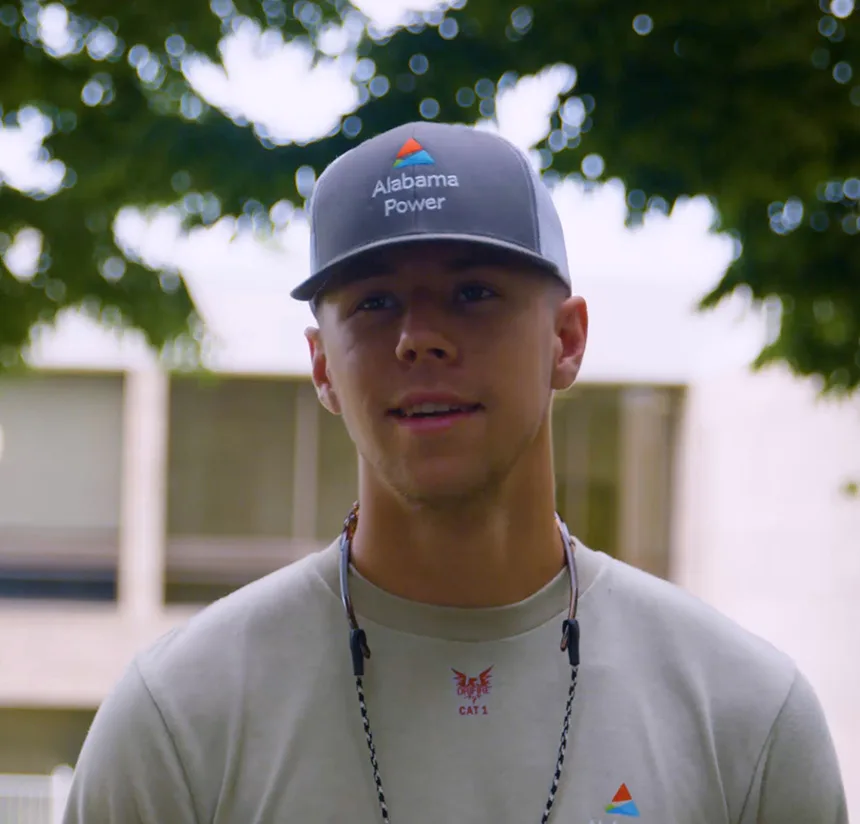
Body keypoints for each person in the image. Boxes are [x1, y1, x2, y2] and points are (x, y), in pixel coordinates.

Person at [63, 121, 848, 824]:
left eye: (474, 292)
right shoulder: (179, 719)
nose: (420, 339)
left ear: (567, 339)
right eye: (374, 303)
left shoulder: (741, 714)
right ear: (322, 366)